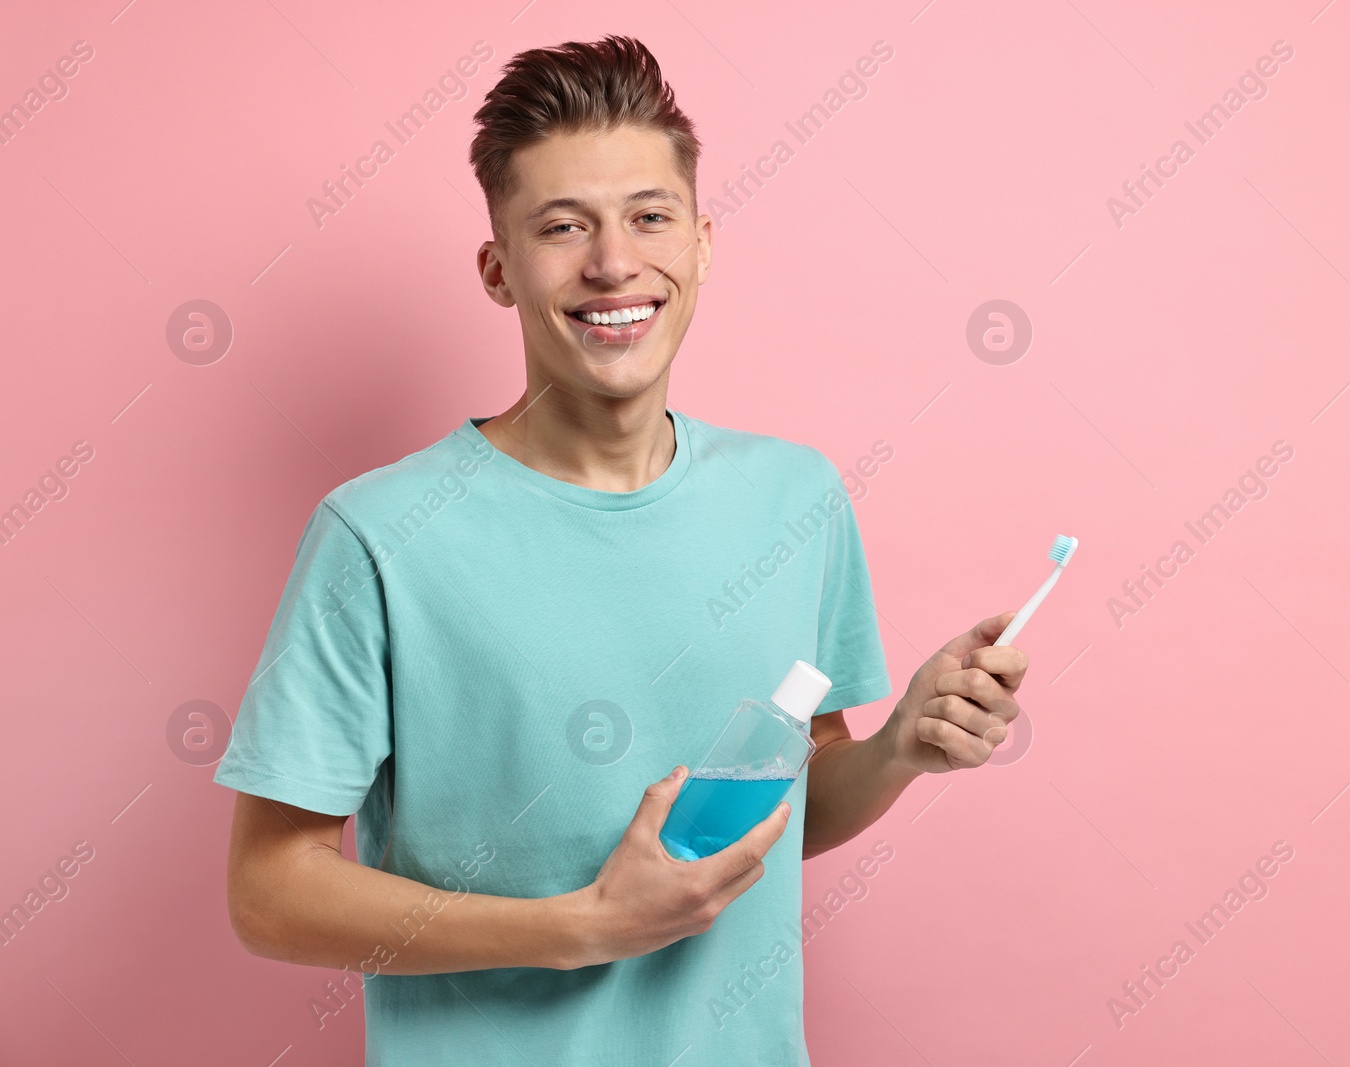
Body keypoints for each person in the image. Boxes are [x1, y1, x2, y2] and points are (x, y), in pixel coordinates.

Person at [214, 34, 1029, 1066]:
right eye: (563, 226)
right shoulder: (377, 536)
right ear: (498, 269)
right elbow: (269, 891)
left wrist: (897, 749)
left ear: (699, 243)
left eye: (650, 216)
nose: (613, 261)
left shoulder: (795, 498)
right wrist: (583, 926)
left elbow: (773, 810)